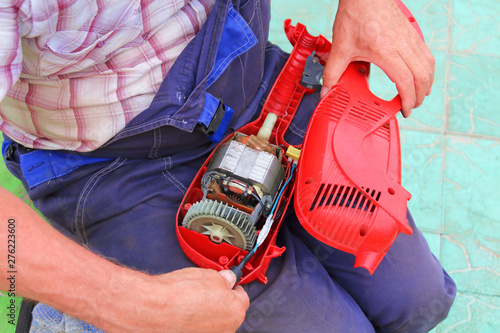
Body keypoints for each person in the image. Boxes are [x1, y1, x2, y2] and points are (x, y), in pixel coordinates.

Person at [0, 0, 454, 332]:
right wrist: (129, 302)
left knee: (419, 301)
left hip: (255, 84)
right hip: (114, 168)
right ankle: (65, 304)